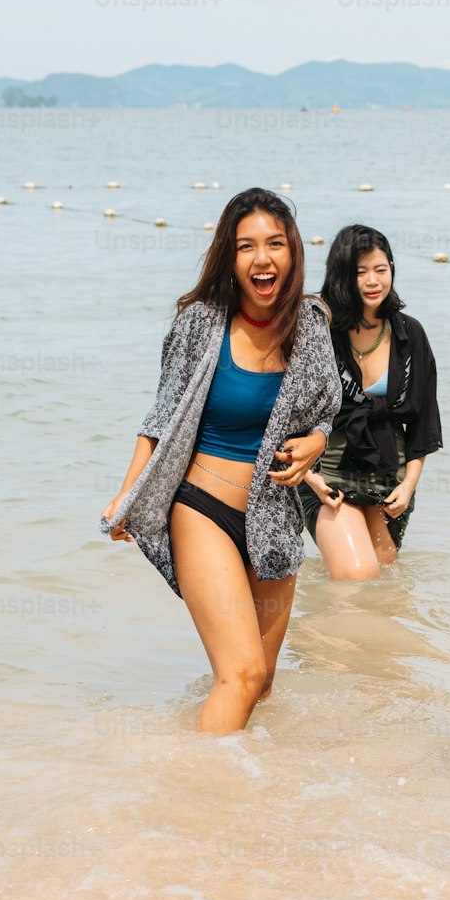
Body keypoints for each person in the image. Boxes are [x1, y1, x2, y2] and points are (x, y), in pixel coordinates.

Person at [100, 188, 341, 735]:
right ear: (229, 259)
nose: (263, 258)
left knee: (265, 680)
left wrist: (319, 442)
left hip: (275, 519)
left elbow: (327, 407)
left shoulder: (311, 326)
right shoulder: (200, 323)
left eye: (275, 244)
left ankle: (242, 799)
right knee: (241, 674)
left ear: (293, 252)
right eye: (247, 246)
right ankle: (192, 800)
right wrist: (127, 494)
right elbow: (161, 418)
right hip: (203, 507)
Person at [299, 224, 442, 580]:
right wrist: (310, 477)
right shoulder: (319, 329)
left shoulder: (410, 334)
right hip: (326, 475)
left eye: (381, 269)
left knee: (383, 577)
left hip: (388, 480)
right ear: (341, 276)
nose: (372, 280)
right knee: (358, 574)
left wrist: (408, 486)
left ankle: (317, 632)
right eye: (360, 272)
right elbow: (288, 412)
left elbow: (423, 422)